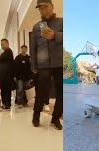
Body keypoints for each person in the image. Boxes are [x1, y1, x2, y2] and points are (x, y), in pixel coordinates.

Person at [30, 0, 63, 130]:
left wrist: (55, 35)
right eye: (40, 8)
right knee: (41, 91)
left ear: (52, 7)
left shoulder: (62, 22)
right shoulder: (36, 27)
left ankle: (55, 118)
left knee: (61, 93)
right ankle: (36, 115)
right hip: (43, 65)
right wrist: (33, 65)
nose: (43, 10)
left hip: (59, 63)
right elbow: (33, 48)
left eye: (45, 7)